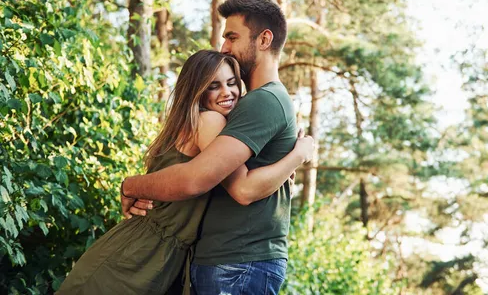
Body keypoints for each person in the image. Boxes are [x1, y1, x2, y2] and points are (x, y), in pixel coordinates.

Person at [57, 50, 313, 295]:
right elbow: (242, 186)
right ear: (197, 90)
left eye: (232, 83)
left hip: (154, 253)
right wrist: (296, 156)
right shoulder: (210, 121)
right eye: (214, 86)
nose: (227, 92)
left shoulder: (193, 122)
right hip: (141, 254)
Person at [122, 0, 299, 294]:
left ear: (264, 39)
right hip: (230, 261)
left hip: (238, 264)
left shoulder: (264, 100)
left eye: (232, 37)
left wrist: (131, 186)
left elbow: (205, 180)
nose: (224, 47)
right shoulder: (248, 104)